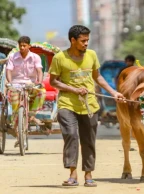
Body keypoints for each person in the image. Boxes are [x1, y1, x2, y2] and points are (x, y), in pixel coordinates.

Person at [49, 25, 124, 187]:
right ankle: (73, 174)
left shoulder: (91, 55)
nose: (86, 44)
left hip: (90, 105)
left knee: (88, 140)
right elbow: (53, 81)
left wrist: (114, 93)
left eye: (87, 40)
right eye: (83, 41)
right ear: (73, 40)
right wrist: (73, 89)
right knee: (71, 135)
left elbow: (98, 77)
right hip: (67, 104)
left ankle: (88, 174)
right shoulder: (60, 58)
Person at [6, 36, 46, 145]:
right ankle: (18, 135)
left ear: (29, 46)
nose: (22, 47)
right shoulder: (12, 57)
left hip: (30, 84)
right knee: (15, 108)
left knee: (42, 92)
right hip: (16, 84)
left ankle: (32, 115)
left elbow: (39, 71)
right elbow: (8, 71)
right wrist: (10, 82)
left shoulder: (35, 57)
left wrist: (39, 81)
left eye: (24, 45)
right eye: (20, 45)